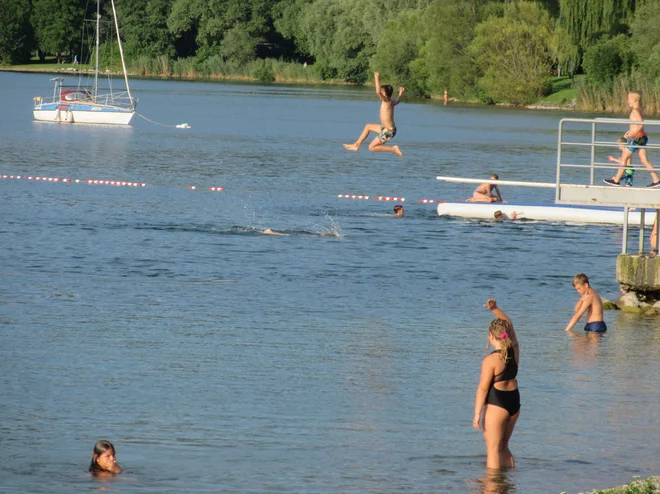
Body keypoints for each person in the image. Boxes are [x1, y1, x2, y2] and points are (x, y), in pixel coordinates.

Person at [473, 299, 520, 470]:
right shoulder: (514, 350)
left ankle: (492, 486)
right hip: (514, 403)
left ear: (491, 336)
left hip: (497, 405)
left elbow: (483, 388)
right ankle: (509, 482)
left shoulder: (491, 360)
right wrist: (495, 309)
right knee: (504, 447)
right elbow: (510, 324)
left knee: (493, 450)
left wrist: (477, 414)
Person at [604, 91, 660, 188]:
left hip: (636, 138)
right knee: (644, 160)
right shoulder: (639, 109)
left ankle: (616, 180)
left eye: (628, 99)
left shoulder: (635, 110)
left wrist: (633, 133)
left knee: (624, 158)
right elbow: (636, 124)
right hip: (642, 137)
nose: (627, 101)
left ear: (634, 100)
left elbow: (641, 123)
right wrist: (629, 131)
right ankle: (656, 180)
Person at [343, 72, 404, 157]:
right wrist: (400, 93)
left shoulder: (386, 101)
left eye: (382, 92)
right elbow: (397, 101)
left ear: (385, 94)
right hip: (388, 129)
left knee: (371, 147)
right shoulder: (390, 102)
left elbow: (377, 92)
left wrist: (376, 77)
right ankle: (356, 144)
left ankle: (393, 149)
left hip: (389, 132)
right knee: (368, 126)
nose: (380, 94)